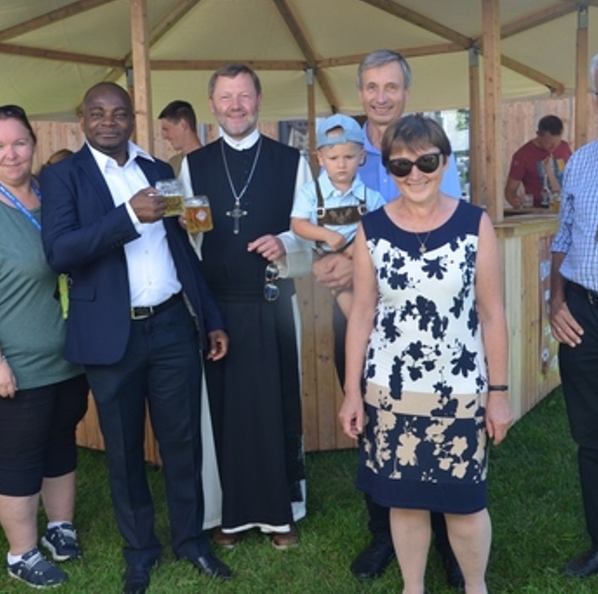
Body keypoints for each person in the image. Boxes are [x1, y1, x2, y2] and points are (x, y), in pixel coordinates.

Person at [40, 82, 231, 594]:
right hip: (111, 334)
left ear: (132, 119)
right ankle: (140, 551)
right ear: (83, 120)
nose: (109, 120)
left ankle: (191, 541)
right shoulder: (63, 176)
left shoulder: (158, 169)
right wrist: (126, 217)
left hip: (172, 326)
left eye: (119, 113)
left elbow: (181, 251)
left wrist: (210, 315)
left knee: (183, 441)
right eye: (98, 112)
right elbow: (60, 252)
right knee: (124, 451)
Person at [339, 113, 513, 594]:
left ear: (445, 162)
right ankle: (411, 588)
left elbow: (492, 313)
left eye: (426, 162)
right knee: (405, 501)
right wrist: (352, 393)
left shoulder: (475, 224)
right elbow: (361, 315)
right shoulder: (371, 230)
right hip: (390, 392)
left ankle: (475, 587)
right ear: (388, 170)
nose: (414, 174)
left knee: (465, 502)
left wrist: (499, 393)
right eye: (401, 166)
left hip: (460, 390)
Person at [313, 49, 465, 586]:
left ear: (406, 92)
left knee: (437, 426)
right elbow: (314, 224)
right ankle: (384, 532)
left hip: (422, 321)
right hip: (356, 315)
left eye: (391, 87)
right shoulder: (341, 151)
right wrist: (328, 259)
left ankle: (447, 537)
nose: (381, 97)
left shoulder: (426, 150)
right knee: (374, 428)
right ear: (360, 93)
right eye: (372, 87)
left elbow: (447, 232)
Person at [182, 63, 310, 550]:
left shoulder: (291, 161)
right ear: (212, 105)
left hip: (272, 303)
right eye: (226, 97)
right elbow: (188, 242)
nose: (235, 106)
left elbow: (309, 230)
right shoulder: (194, 165)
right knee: (224, 413)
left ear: (258, 100)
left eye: (244, 96)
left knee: (276, 406)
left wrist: (284, 242)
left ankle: (281, 513)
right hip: (218, 310)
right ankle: (228, 514)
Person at [0, 105, 88, 588]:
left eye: (19, 142)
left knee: (60, 440)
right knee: (19, 455)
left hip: (68, 356)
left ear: (34, 144)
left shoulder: (52, 195)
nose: (10, 154)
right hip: (19, 362)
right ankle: (21, 553)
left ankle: (60, 527)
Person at [549, 50, 598, 580]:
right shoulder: (581, 162)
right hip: (584, 311)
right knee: (591, 436)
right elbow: (563, 237)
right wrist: (555, 302)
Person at [290, 113, 384, 316]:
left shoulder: (370, 196)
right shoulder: (310, 193)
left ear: (361, 156)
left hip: (363, 258)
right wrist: (325, 235)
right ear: (320, 158)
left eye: (348, 157)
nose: (341, 164)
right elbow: (298, 224)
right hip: (328, 259)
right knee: (354, 314)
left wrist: (353, 250)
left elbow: (382, 226)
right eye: (333, 158)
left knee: (374, 306)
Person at [504, 114, 572, 209]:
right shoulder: (523, 155)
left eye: (557, 142)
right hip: (537, 210)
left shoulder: (564, 147)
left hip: (565, 208)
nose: (554, 146)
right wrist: (515, 202)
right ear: (538, 135)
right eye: (549, 142)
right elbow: (510, 190)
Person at [158, 100, 202, 176]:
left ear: (183, 125)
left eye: (166, 129)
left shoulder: (212, 163)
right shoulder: (172, 164)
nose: (164, 136)